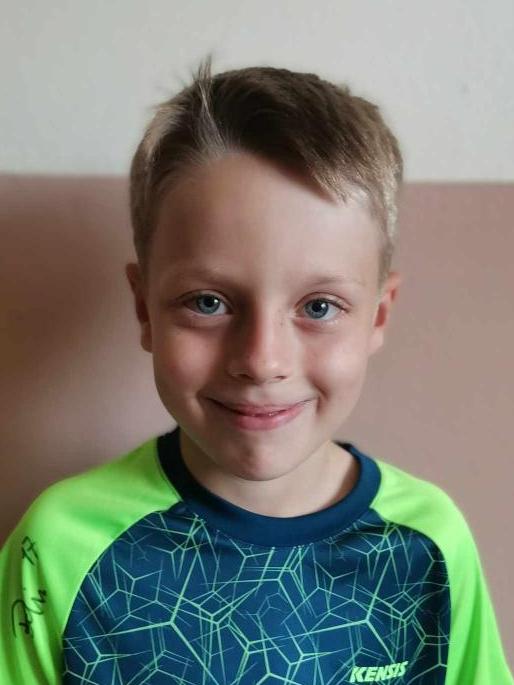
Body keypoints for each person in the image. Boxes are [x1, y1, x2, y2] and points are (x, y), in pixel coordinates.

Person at [0, 54, 512, 685]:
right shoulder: (61, 546)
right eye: (208, 303)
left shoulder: (429, 546)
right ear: (144, 309)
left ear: (378, 316)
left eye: (318, 307)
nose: (262, 361)